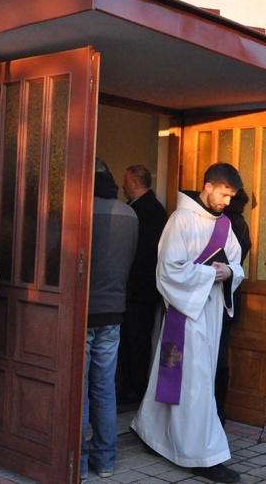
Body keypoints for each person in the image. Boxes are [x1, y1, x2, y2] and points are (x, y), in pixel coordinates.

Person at [131, 162, 244, 484]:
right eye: (224, 194)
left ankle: (151, 433)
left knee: (177, 380)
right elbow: (168, 269)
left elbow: (236, 262)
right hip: (186, 313)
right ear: (208, 186)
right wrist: (212, 273)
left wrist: (231, 272)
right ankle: (203, 456)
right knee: (194, 383)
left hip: (210, 314)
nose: (226, 202)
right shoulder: (180, 220)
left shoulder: (223, 224)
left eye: (231, 196)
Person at [81, 159, 138, 481]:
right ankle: (105, 460)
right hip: (114, 310)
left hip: (85, 311)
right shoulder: (129, 213)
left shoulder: (79, 209)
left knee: (80, 388)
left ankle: (77, 461)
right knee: (104, 388)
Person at [117, 164, 167, 404]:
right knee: (128, 339)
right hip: (134, 289)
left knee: (136, 340)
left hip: (140, 290)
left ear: (136, 182)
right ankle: (128, 385)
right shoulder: (138, 208)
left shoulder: (150, 211)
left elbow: (144, 253)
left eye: (126, 181)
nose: (123, 185)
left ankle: (135, 388)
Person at [215, 188, 251, 425]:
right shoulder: (242, 224)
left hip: (219, 294)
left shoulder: (225, 224)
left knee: (216, 358)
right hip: (231, 297)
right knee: (221, 356)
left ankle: (216, 411)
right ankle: (219, 411)